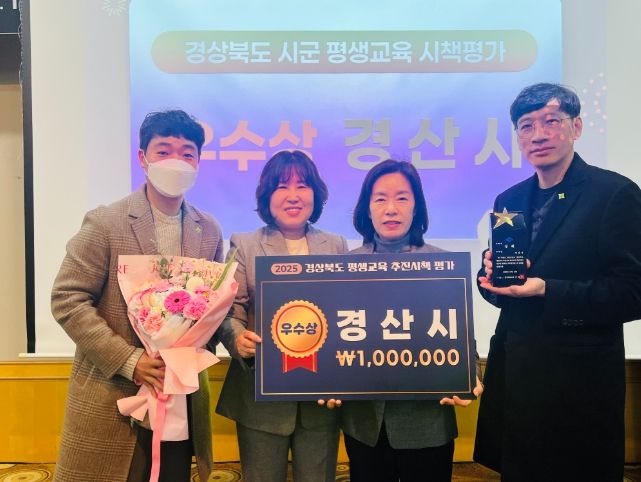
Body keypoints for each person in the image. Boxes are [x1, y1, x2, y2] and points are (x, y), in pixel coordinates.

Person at [474, 83, 641, 481]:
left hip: (579, 386)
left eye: (551, 121)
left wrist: (547, 288)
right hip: (518, 378)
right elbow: (505, 290)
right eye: (526, 125)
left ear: (576, 127)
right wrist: (490, 278)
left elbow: (633, 293)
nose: (538, 134)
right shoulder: (509, 199)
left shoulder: (614, 193)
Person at [51, 110, 223, 482]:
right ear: (143, 157)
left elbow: (213, 308)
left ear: (198, 162)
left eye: (187, 153)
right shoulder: (106, 222)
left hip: (180, 397)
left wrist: (206, 347)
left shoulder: (208, 230)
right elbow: (67, 298)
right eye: (164, 151)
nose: (176, 161)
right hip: (112, 394)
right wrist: (131, 360)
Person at [339, 159, 483, 482]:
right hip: (365, 425)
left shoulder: (442, 264)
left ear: (416, 207)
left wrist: (470, 376)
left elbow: (463, 338)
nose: (391, 209)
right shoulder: (345, 266)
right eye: (380, 199)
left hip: (427, 422)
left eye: (402, 198)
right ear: (367, 209)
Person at [215, 150, 348, 482]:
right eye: (281, 186)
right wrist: (237, 338)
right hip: (261, 397)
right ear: (266, 195)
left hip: (321, 399)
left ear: (315, 194)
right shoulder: (244, 244)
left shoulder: (335, 245)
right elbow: (230, 310)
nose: (293, 195)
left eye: (302, 186)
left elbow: (347, 313)